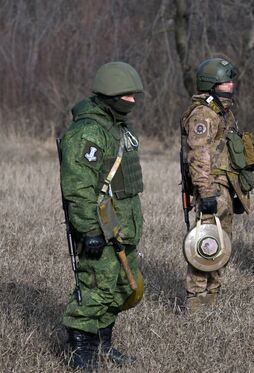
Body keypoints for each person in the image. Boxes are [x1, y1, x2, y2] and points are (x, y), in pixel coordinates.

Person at [59, 61, 145, 370]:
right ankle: (79, 349)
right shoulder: (88, 132)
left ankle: (103, 345)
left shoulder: (118, 127)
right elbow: (78, 187)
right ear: (110, 94)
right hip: (100, 225)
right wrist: (89, 230)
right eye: (127, 95)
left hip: (121, 225)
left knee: (121, 286)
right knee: (97, 287)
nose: (132, 101)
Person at [180, 57, 254, 309]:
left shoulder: (224, 113)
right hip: (211, 188)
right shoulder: (203, 114)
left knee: (223, 245)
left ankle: (213, 296)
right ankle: (197, 301)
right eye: (225, 81)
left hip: (226, 187)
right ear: (212, 84)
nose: (231, 85)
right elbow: (197, 156)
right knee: (205, 243)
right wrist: (205, 191)